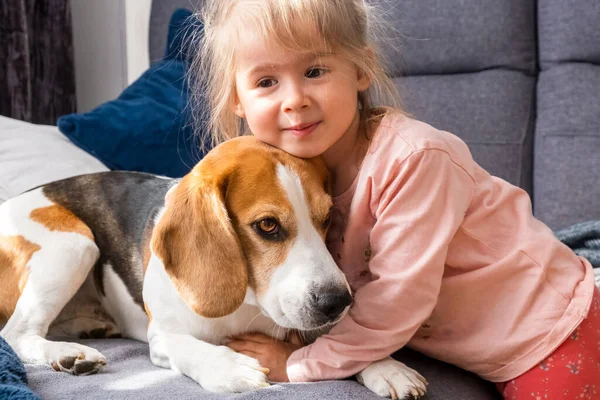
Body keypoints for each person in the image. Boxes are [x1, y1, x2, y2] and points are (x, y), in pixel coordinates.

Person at [189, 0, 600, 397]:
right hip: (468, 345)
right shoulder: (287, 181)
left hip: (551, 330)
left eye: (315, 70)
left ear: (361, 69)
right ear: (237, 100)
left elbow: (393, 303)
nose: (294, 98)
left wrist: (298, 364)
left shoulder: (415, 160)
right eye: (266, 82)